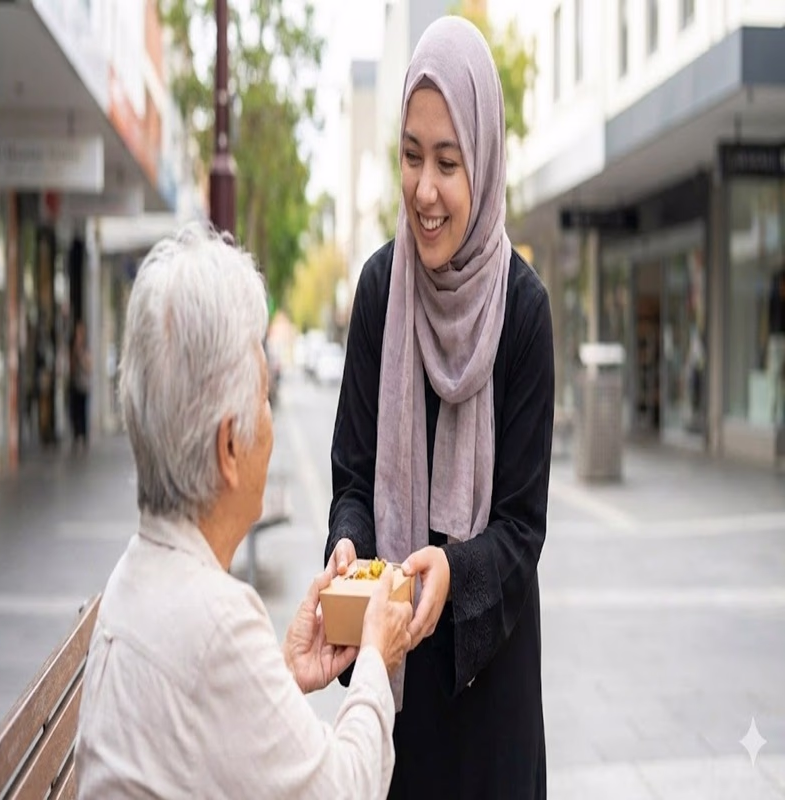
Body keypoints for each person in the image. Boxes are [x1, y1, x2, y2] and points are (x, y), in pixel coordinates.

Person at [75, 223, 413, 799]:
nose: (271, 420)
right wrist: (378, 656)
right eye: (263, 397)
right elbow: (346, 790)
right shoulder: (216, 624)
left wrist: (278, 674)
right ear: (230, 448)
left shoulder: (139, 573)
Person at [324, 16, 554, 799]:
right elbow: (353, 479)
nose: (425, 190)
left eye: (448, 163)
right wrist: (349, 548)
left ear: (482, 164)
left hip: (490, 693)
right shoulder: (379, 291)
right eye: (411, 156)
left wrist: (454, 571)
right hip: (394, 694)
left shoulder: (523, 311)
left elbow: (523, 530)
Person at [69, 320, 91, 453]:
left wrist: (81, 356)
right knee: (75, 411)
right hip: (75, 384)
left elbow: (89, 366)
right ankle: (76, 436)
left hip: (83, 386)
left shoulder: (85, 349)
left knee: (83, 412)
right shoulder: (72, 349)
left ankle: (84, 436)